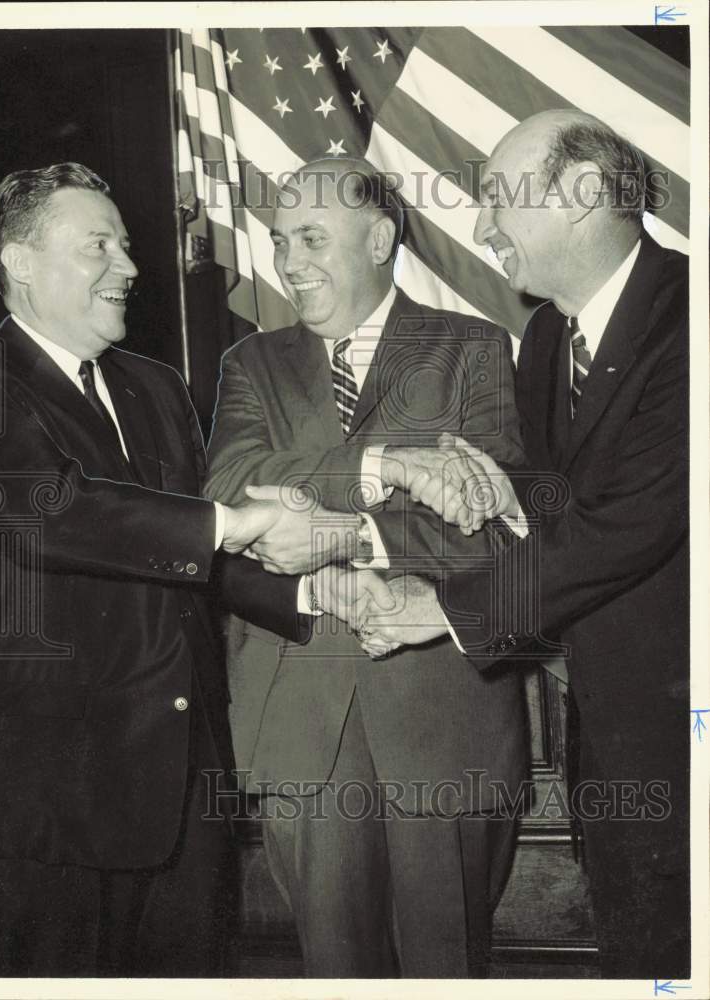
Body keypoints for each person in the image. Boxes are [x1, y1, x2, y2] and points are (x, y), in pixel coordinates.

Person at [0, 162, 313, 977]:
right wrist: (237, 520)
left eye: (126, 243)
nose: (131, 266)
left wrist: (318, 587)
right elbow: (54, 510)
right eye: (98, 246)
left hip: (185, 793)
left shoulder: (157, 387)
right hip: (49, 808)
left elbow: (191, 561)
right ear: (18, 261)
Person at [358, 111, 691, 978]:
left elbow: (636, 519)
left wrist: (445, 608)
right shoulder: (547, 337)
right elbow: (567, 504)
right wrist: (507, 499)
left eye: (500, 197)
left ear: (584, 195)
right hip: (613, 753)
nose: (481, 226)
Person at [204, 157, 529, 977]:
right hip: (302, 723)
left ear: (381, 238)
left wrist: (348, 533)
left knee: (445, 968)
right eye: (280, 242)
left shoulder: (474, 350)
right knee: (335, 973)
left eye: (311, 237)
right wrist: (386, 468)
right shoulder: (250, 363)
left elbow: (498, 527)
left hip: (442, 721)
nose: (288, 263)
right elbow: (229, 490)